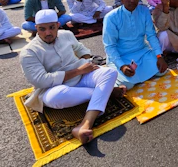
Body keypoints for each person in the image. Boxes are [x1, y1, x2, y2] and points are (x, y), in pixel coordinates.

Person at [19, 9, 125, 144]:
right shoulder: (29, 52)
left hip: (81, 77)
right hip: (54, 88)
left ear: (58, 25)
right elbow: (41, 81)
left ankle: (85, 124)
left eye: (52, 27)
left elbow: (82, 50)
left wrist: (87, 63)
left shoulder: (66, 35)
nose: (48, 33)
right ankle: (107, 92)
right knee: (56, 97)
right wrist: (78, 71)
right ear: (36, 29)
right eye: (42, 29)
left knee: (109, 72)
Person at [103, 0, 168, 90]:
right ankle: (111, 73)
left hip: (142, 52)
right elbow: (110, 46)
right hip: (121, 55)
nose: (132, 0)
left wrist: (159, 56)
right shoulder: (111, 17)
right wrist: (122, 66)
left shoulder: (144, 11)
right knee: (127, 84)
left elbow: (151, 36)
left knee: (162, 70)